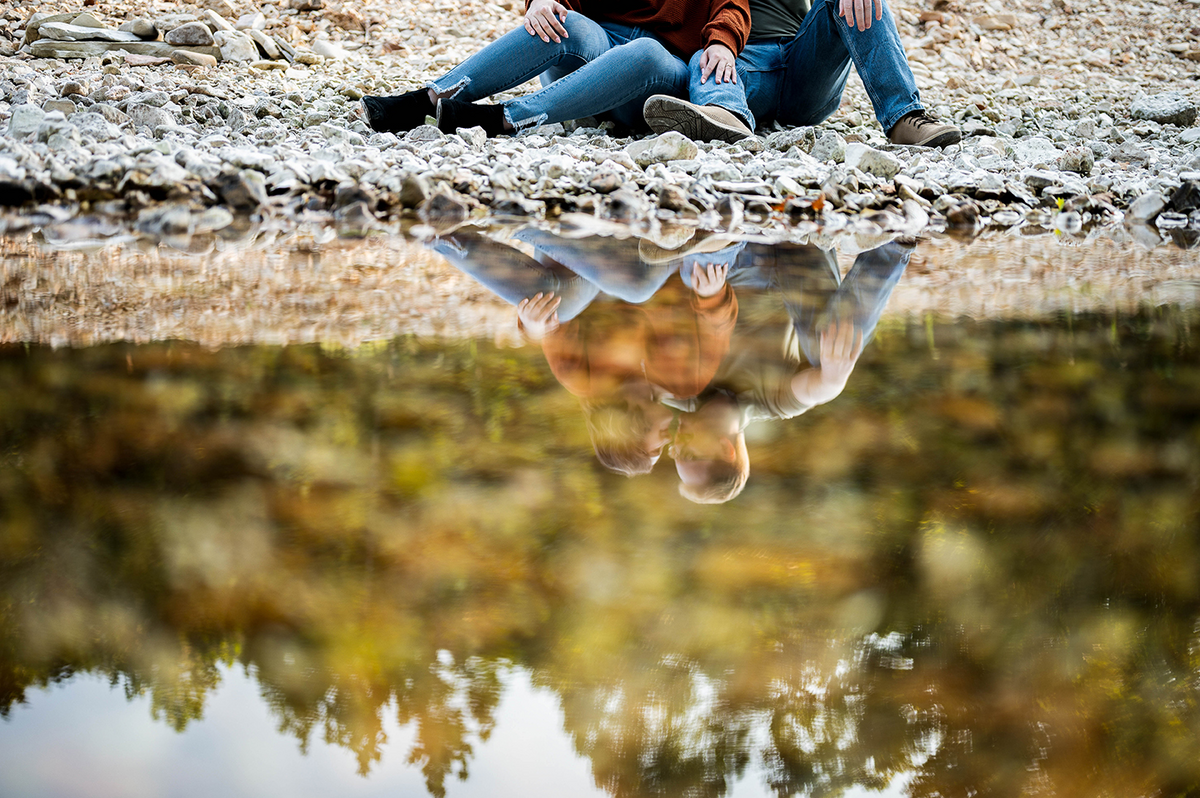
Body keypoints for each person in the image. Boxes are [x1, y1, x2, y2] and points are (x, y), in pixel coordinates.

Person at [426, 227, 739, 475]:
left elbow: (550, 332)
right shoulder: (686, 383)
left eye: (657, 450)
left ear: (630, 434)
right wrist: (711, 296)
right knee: (640, 285)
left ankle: (442, 235)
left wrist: (534, 326)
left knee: (560, 307)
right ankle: (515, 223)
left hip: (586, 260)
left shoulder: (584, 380)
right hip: (659, 258)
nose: (668, 444)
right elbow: (718, 327)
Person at [664, 238, 911, 502]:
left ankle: (728, 214)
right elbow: (817, 390)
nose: (676, 444)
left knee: (696, 274)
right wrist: (834, 378)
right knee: (828, 359)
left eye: (674, 453)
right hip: (799, 260)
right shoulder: (772, 404)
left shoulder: (678, 391)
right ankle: (894, 243)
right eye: (688, 453)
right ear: (726, 449)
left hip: (737, 264)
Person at [360, 0, 751, 138]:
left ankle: (505, 119)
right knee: (564, 22)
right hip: (592, 58)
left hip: (652, 76)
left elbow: (734, 7)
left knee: (645, 50)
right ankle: (427, 100)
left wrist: (722, 41)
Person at [640, 0, 961, 147]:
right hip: (745, 66)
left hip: (805, 66)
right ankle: (725, 116)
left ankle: (904, 117)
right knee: (704, 57)